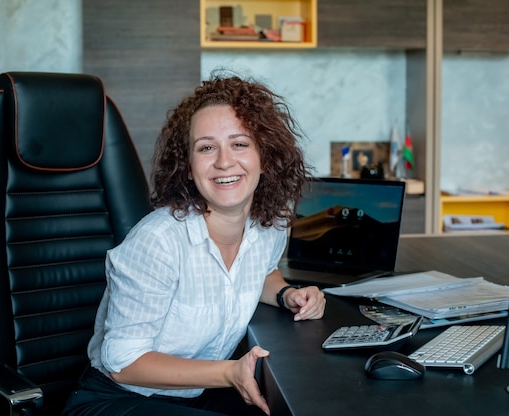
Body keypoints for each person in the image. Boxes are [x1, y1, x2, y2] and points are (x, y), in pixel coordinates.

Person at [62, 74, 326, 416]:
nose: (224, 161)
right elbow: (123, 363)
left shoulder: (268, 226)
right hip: (118, 398)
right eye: (206, 147)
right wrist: (230, 372)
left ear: (265, 155)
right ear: (188, 167)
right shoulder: (158, 240)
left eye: (240, 143)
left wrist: (286, 294)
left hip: (198, 392)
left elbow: (260, 270)